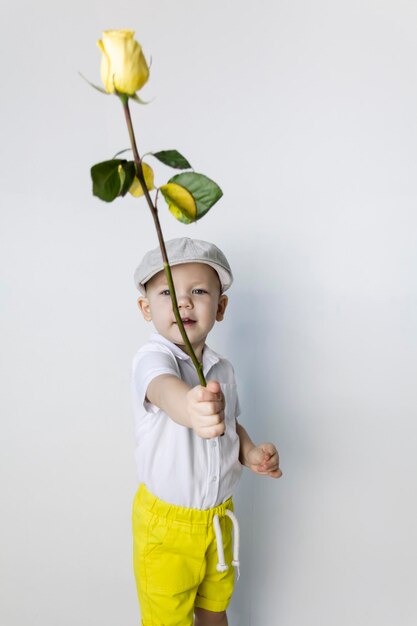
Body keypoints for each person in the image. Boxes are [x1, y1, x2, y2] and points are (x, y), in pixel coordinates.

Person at [131, 237, 282, 626]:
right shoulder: (151, 360)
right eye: (168, 293)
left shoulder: (222, 369)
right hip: (167, 529)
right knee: (168, 619)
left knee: (215, 608)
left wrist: (247, 452)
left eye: (198, 291)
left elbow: (230, 426)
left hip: (218, 519)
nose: (184, 302)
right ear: (146, 309)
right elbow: (166, 392)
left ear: (221, 307)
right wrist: (190, 408)